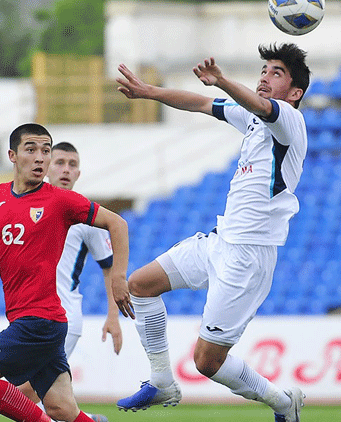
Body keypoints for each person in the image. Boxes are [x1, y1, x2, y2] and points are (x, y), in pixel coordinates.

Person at [113, 43, 310, 422]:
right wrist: (151, 92)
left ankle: (284, 403)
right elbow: (201, 103)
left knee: (207, 361)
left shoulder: (288, 119)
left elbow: (262, 106)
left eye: (276, 73)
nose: (265, 77)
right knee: (141, 284)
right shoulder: (253, 120)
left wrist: (222, 80)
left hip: (248, 257)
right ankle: (162, 381)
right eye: (264, 70)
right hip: (219, 243)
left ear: (294, 92)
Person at [0, 124, 133, 422]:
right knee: (62, 409)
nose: (40, 158)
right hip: (40, 322)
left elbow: (118, 223)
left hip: (39, 321)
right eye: (31, 150)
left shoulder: (61, 200)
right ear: (13, 155)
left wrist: (118, 277)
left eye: (46, 150)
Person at [15, 141, 123, 422]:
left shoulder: (87, 216)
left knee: (24, 395)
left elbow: (109, 267)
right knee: (54, 403)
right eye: (60, 162)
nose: (66, 170)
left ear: (78, 174)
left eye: (72, 165)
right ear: (47, 167)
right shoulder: (26, 206)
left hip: (62, 317)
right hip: (32, 315)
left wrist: (113, 316)